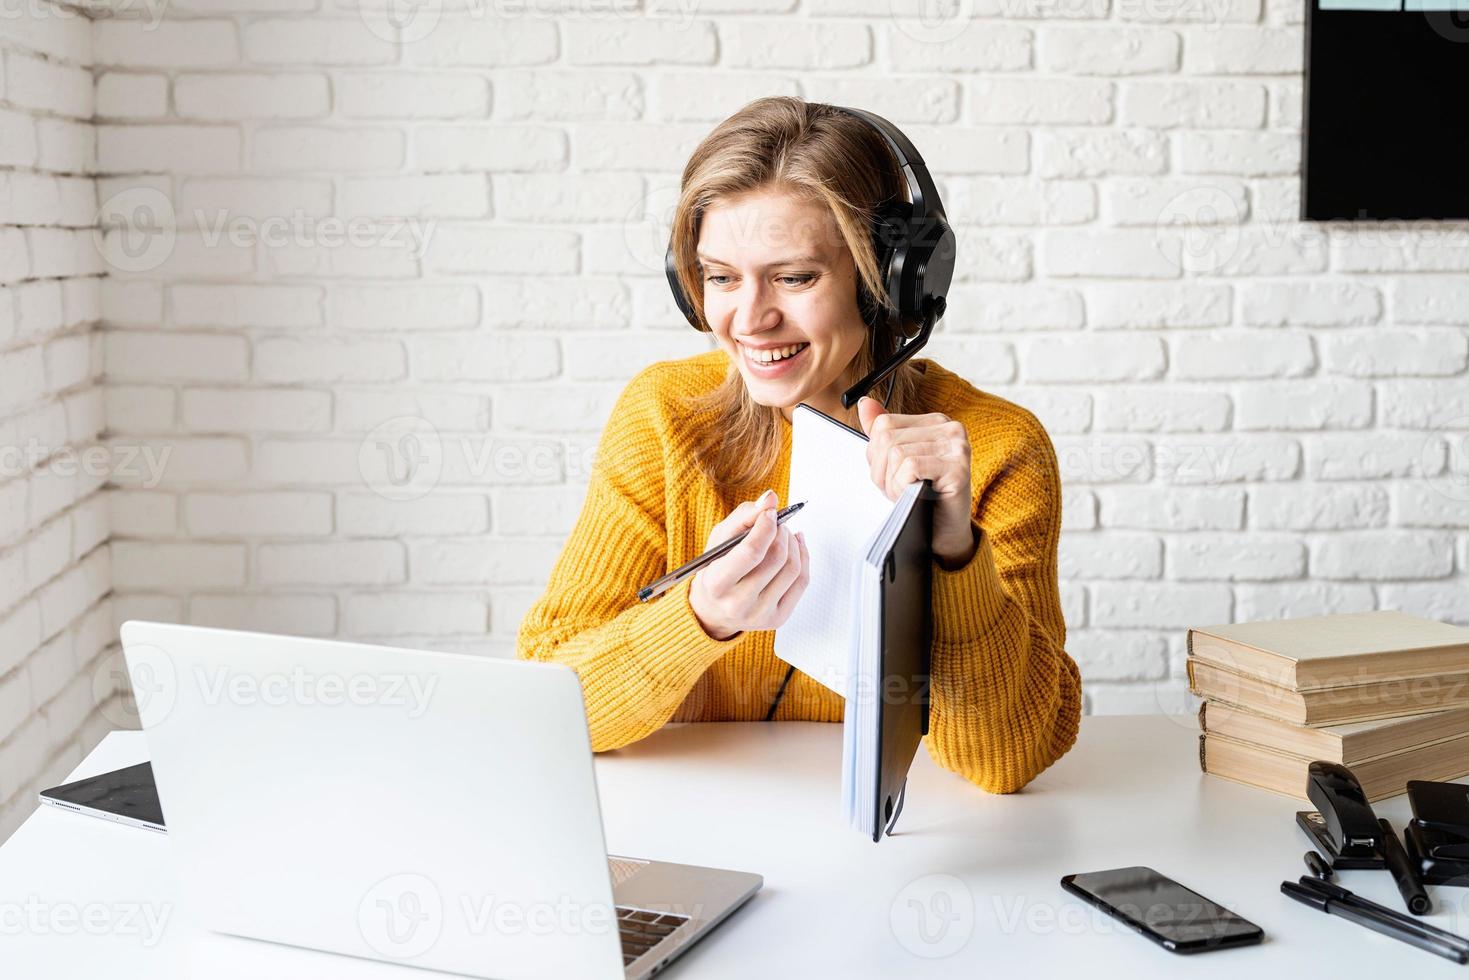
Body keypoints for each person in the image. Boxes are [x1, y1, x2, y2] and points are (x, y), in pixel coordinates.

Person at [517, 97, 1080, 794]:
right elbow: (546, 707)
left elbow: (1006, 760)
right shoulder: (663, 416)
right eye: (720, 276)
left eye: (794, 277)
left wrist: (953, 552)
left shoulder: (996, 449)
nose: (747, 319)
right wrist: (700, 617)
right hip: (701, 834)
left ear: (888, 281)